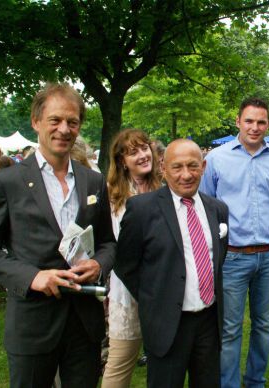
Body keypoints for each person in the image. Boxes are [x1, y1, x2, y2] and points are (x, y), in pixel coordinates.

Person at [0, 83, 116, 387]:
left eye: (72, 122)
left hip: (84, 324)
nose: (64, 129)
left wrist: (99, 264)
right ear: (36, 122)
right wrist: (31, 277)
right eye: (55, 120)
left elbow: (107, 243)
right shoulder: (6, 182)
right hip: (33, 323)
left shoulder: (93, 181)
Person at [114, 139, 229, 387]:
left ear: (204, 166)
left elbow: (218, 258)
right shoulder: (142, 210)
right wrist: (153, 297)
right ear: (163, 168)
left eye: (192, 166)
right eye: (177, 167)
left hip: (209, 323)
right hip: (167, 324)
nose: (186, 175)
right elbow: (125, 263)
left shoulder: (217, 209)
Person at [200, 97, 269, 388]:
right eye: (249, 121)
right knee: (229, 329)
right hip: (232, 258)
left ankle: (255, 382)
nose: (255, 127)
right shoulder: (216, 159)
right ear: (238, 121)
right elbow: (207, 205)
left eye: (261, 122)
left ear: (268, 124)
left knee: (264, 326)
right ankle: (228, 385)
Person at [101, 129, 162, 387]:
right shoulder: (111, 194)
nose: (142, 155)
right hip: (127, 288)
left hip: (162, 286)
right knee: (120, 361)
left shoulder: (165, 186)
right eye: (133, 152)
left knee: (163, 360)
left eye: (144, 148)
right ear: (121, 160)